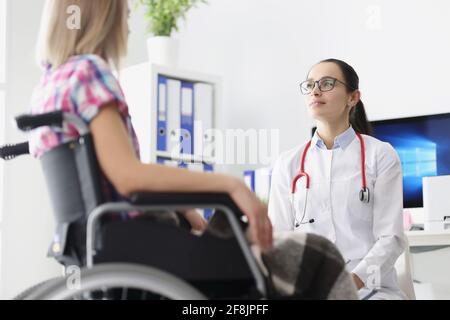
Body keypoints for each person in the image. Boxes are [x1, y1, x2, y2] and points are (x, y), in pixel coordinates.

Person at [29, 0, 357, 299]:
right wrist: (231, 184)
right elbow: (127, 176)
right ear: (102, 15)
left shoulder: (49, 85)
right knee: (318, 252)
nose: (128, 24)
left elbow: (110, 183)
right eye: (125, 13)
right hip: (142, 244)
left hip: (100, 240)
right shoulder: (89, 72)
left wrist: (182, 205)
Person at [268, 58, 407, 300]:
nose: (315, 90)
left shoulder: (381, 155)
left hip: (371, 289)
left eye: (327, 83)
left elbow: (391, 239)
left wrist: (350, 283)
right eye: (310, 85)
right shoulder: (287, 164)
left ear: (353, 97)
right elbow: (278, 239)